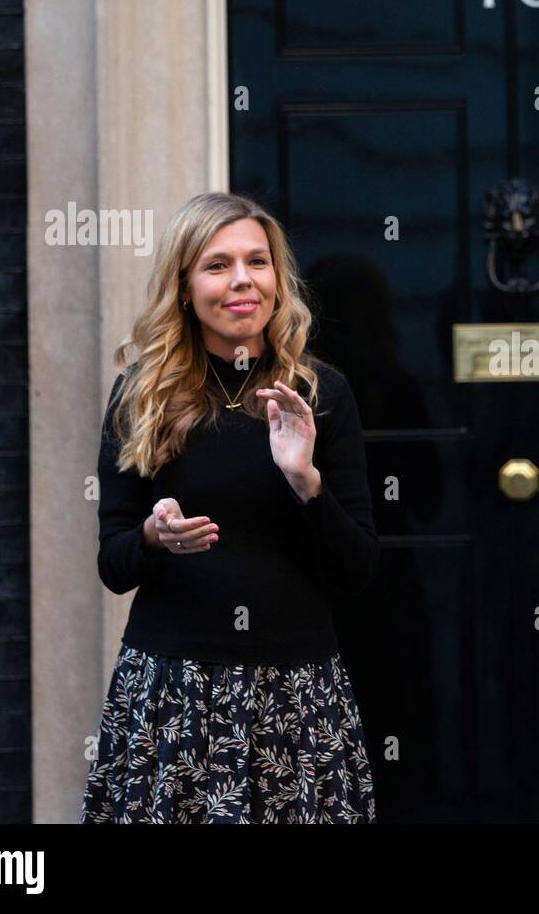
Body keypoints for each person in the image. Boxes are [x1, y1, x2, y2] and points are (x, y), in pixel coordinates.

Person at [80, 192, 379, 823]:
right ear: (185, 288)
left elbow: (358, 570)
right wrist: (154, 538)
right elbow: (113, 564)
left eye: (258, 261)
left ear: (277, 279)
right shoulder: (143, 395)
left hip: (296, 693)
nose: (243, 279)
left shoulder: (319, 395)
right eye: (218, 265)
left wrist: (305, 480)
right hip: (174, 691)